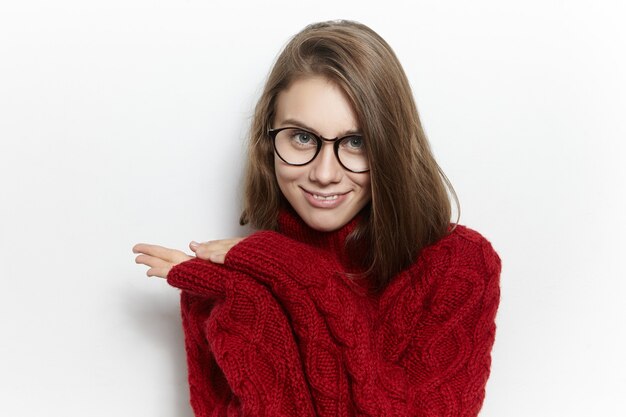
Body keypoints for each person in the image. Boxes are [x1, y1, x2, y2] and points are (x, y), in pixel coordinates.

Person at [133, 20, 501, 417]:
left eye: (356, 142)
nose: (325, 173)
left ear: (391, 146)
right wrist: (259, 297)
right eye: (302, 137)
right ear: (267, 141)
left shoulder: (459, 266)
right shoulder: (232, 283)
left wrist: (295, 273)